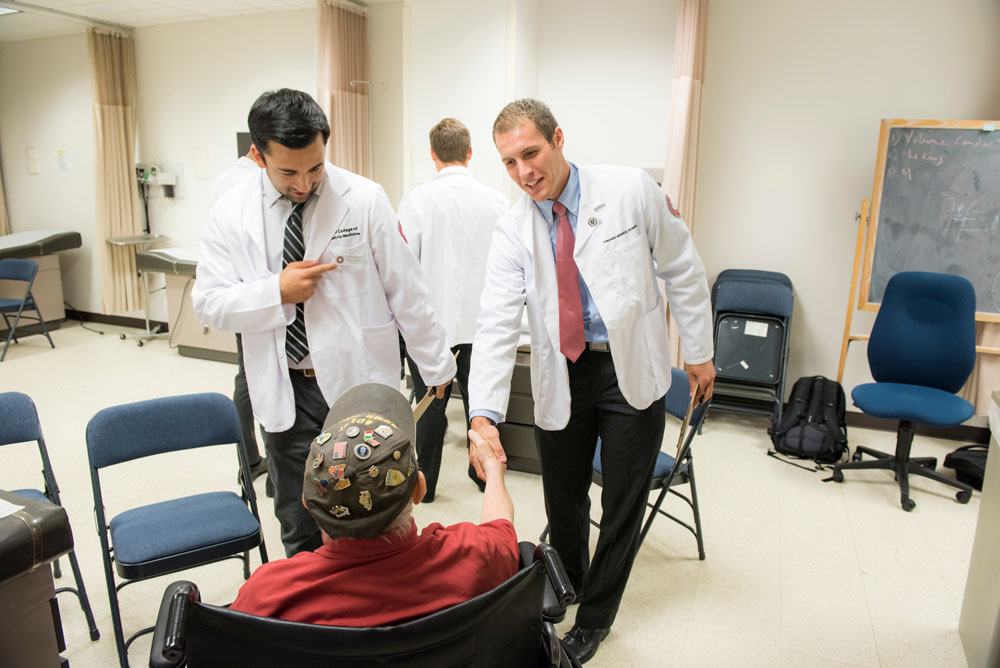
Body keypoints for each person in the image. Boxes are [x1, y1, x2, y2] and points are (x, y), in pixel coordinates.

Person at [467, 99, 715, 664]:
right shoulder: (512, 229)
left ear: (557, 138)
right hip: (565, 370)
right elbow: (496, 323)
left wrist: (699, 352)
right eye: (509, 163)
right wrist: (484, 413)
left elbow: (681, 265)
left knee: (624, 499)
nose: (524, 172)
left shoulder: (630, 190)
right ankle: (568, 578)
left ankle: (597, 617)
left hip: (631, 366)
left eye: (531, 153)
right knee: (563, 492)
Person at [192, 89, 456, 558]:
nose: (304, 183)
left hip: (359, 384)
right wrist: (277, 292)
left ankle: (372, 620)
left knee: (375, 516)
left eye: (315, 167)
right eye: (288, 171)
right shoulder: (229, 214)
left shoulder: (365, 199)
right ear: (257, 155)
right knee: (298, 520)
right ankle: (312, 625)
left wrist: (436, 368)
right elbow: (209, 304)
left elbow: (407, 291)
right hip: (285, 387)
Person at [229, 382, 519, 626]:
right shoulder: (474, 555)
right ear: (419, 489)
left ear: (306, 501)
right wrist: (492, 470)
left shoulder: (267, 595)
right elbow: (501, 524)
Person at [397, 118, 510, 501]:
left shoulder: (417, 200)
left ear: (433, 154)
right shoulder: (498, 202)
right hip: (483, 327)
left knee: (430, 408)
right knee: (483, 404)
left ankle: (425, 487)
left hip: (433, 329)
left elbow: (404, 267)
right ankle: (484, 476)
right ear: (470, 152)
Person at [210, 151, 270, 494]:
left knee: (247, 375)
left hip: (241, 298)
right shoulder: (249, 182)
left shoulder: (225, 179)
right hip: (257, 298)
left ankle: (249, 459)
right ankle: (270, 470)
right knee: (259, 378)